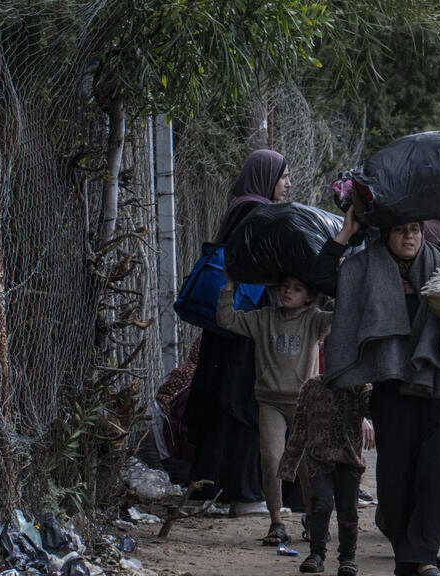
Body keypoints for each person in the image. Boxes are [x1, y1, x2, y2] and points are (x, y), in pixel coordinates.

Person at [310, 209, 440, 576]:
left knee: (438, 471)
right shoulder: (364, 269)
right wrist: (347, 233)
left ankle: (426, 556)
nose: (409, 237)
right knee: (396, 478)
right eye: (399, 230)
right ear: (385, 234)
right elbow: (319, 278)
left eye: (415, 229)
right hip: (393, 387)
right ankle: (407, 558)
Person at [183, 149, 291, 513]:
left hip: (227, 321)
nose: (287, 184)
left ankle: (210, 488)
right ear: (266, 177)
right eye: (282, 176)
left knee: (223, 401)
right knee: (245, 401)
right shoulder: (256, 211)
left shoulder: (239, 206)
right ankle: (242, 492)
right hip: (244, 324)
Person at [216, 273, 333, 545]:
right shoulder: (263, 318)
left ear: (309, 296)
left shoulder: (314, 319)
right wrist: (230, 286)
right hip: (270, 402)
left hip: (305, 403)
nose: (288, 292)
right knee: (271, 459)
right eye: (284, 287)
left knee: (307, 466)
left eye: (297, 288)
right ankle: (277, 523)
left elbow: (342, 316)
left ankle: (313, 518)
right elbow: (227, 319)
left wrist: (337, 279)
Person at [279, 378, 373, 575]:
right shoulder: (312, 386)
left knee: (348, 511)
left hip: (349, 461)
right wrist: (289, 463)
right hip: (318, 458)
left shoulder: (358, 386)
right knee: (321, 504)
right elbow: (300, 425)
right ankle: (316, 554)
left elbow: (374, 408)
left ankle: (347, 557)